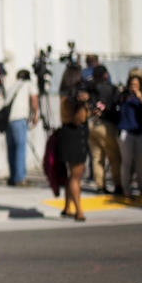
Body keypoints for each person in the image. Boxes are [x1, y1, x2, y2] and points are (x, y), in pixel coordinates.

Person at [57, 64, 90, 221]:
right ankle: (79, 210)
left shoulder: (63, 95)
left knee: (72, 175)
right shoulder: (70, 99)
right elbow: (78, 120)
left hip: (68, 135)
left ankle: (67, 207)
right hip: (75, 136)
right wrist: (83, 105)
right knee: (76, 176)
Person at [86, 64, 123, 194]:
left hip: (91, 124)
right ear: (105, 75)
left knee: (97, 157)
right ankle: (118, 184)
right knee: (114, 157)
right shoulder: (112, 89)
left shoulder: (90, 89)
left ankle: (100, 185)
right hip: (106, 125)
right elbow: (116, 106)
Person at [117, 74, 142, 199]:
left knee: (140, 162)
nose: (134, 88)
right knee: (127, 162)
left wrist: (141, 98)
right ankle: (126, 187)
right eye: (132, 85)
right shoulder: (124, 97)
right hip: (126, 132)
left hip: (139, 132)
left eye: (136, 85)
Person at [4, 69, 39, 186]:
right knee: (20, 148)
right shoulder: (29, 84)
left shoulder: (13, 85)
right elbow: (34, 99)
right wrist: (35, 114)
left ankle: (13, 176)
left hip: (8, 120)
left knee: (11, 149)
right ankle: (20, 178)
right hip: (19, 119)